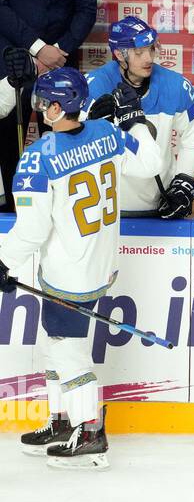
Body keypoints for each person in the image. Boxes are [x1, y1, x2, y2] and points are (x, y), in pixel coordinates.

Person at [4, 67, 162, 469]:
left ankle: (90, 431)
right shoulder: (107, 135)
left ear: (57, 108)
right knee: (50, 342)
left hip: (67, 273)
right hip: (98, 264)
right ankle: (61, 421)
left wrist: (3, 260)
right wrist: (137, 120)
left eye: (43, 103)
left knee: (67, 351)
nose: (39, 109)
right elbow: (151, 161)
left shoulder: (40, 156)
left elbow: (33, 229)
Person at [0, 0, 97, 212]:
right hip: (13, 61)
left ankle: (57, 202)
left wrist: (59, 51)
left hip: (60, 64)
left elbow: (87, 9)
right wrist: (38, 49)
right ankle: (14, 206)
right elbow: (0, 7)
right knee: (7, 140)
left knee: (58, 137)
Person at [84, 17, 194, 219]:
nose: (149, 58)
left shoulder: (175, 85)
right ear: (119, 54)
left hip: (160, 204)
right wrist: (93, 128)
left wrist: (183, 181)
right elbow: (75, 143)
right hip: (106, 208)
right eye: (139, 52)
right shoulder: (94, 86)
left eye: (151, 49)